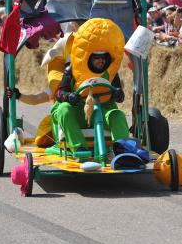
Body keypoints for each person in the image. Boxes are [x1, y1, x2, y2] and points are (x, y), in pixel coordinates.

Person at [51, 18, 129, 152]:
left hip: (102, 110)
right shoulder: (72, 70)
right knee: (63, 109)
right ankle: (79, 148)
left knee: (117, 115)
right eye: (96, 57)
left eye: (103, 57)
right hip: (78, 111)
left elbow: (120, 96)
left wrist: (118, 93)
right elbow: (59, 94)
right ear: (89, 57)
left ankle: (123, 150)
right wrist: (69, 97)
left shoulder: (111, 72)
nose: (100, 61)